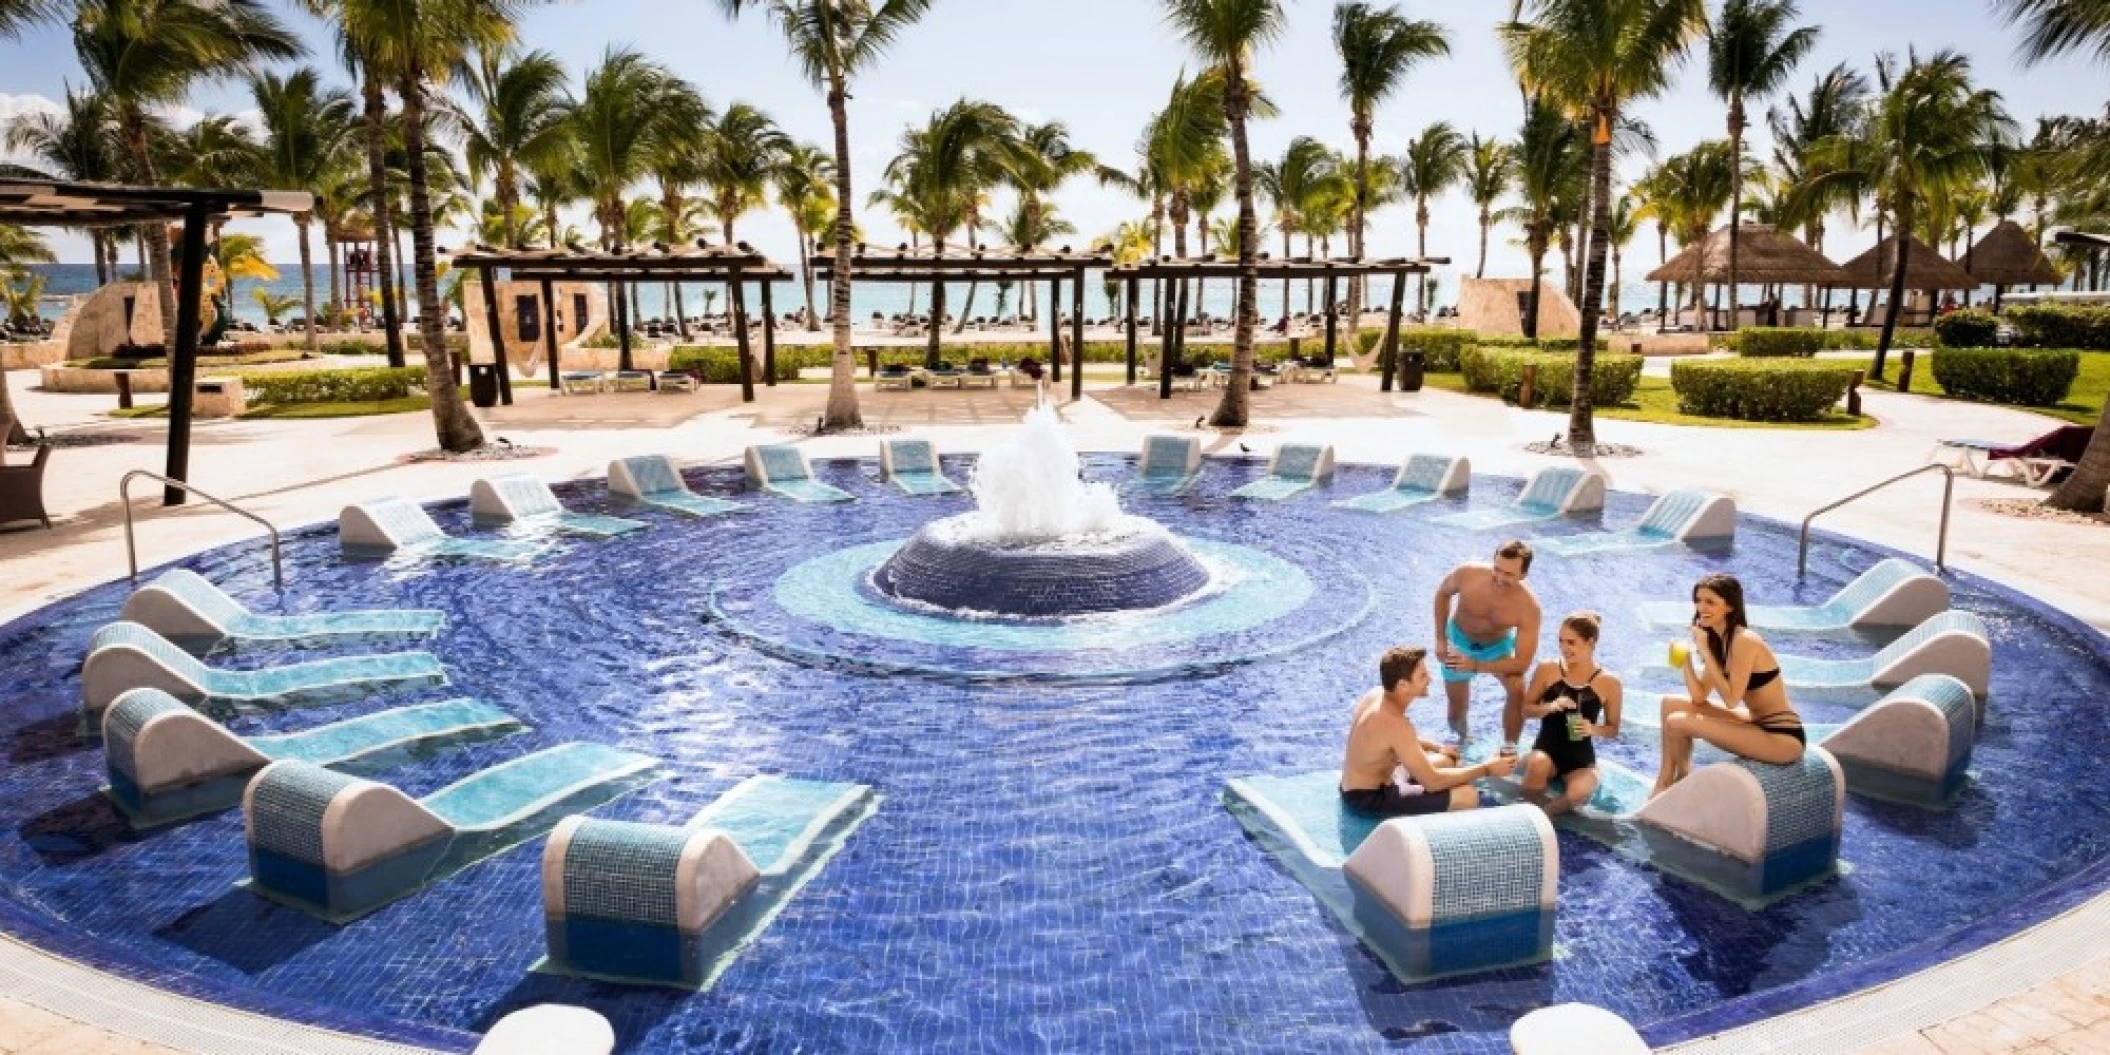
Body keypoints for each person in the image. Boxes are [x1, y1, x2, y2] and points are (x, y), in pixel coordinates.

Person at [1652, 573, 1809, 797]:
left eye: (1710, 602)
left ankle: (1680, 782)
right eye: (1698, 600)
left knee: (1677, 723)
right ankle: (1665, 781)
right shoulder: (1718, 642)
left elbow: (1732, 699)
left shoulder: (1744, 640)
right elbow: (1698, 697)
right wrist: (1686, 661)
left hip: (1782, 736)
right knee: (1670, 704)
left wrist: (1705, 650)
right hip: (1755, 722)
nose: (1701, 607)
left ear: (1730, 607)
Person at [1341, 646, 1519, 816]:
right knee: (1467, 795)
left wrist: (1437, 747)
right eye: (1423, 676)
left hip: (1378, 778)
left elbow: (1390, 740)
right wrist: (1487, 769)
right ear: (1403, 685)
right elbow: (1432, 783)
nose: (1430, 679)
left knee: (1448, 760)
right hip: (1368, 797)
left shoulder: (1378, 695)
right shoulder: (1395, 723)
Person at [1431, 540, 1543, 749]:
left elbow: (1521, 664)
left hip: (1496, 647)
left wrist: (1475, 665)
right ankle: (1464, 740)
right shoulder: (1468, 574)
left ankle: (1509, 748)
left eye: (1509, 574)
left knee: (1517, 688)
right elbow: (1442, 593)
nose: (1500, 578)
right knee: (1456, 710)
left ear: (1523, 575)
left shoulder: (1529, 608)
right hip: (1459, 642)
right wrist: (1440, 638)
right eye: (1497, 569)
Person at [1520, 612, 1624, 815]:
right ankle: (1525, 814)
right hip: (1545, 750)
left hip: (1580, 760)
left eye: (1571, 642)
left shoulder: (1610, 683)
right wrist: (1550, 707)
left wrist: (1592, 728)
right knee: (1537, 765)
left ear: (1590, 642)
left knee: (1579, 792)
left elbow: (1612, 729)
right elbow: (1526, 709)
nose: (1564, 648)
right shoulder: (1547, 669)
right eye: (1560, 641)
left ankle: (1546, 817)